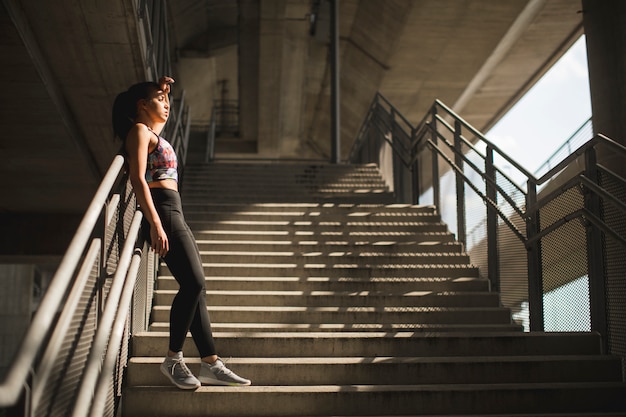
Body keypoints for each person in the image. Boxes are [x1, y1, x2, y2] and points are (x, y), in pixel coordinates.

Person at [112, 76, 251, 389]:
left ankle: (211, 363)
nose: (167, 106)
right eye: (160, 100)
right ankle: (173, 358)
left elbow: (156, 127)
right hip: (162, 211)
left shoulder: (152, 133)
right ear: (141, 105)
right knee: (195, 282)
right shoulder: (138, 131)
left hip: (175, 211)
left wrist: (161, 90)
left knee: (196, 287)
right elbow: (137, 178)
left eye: (168, 101)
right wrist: (156, 223)